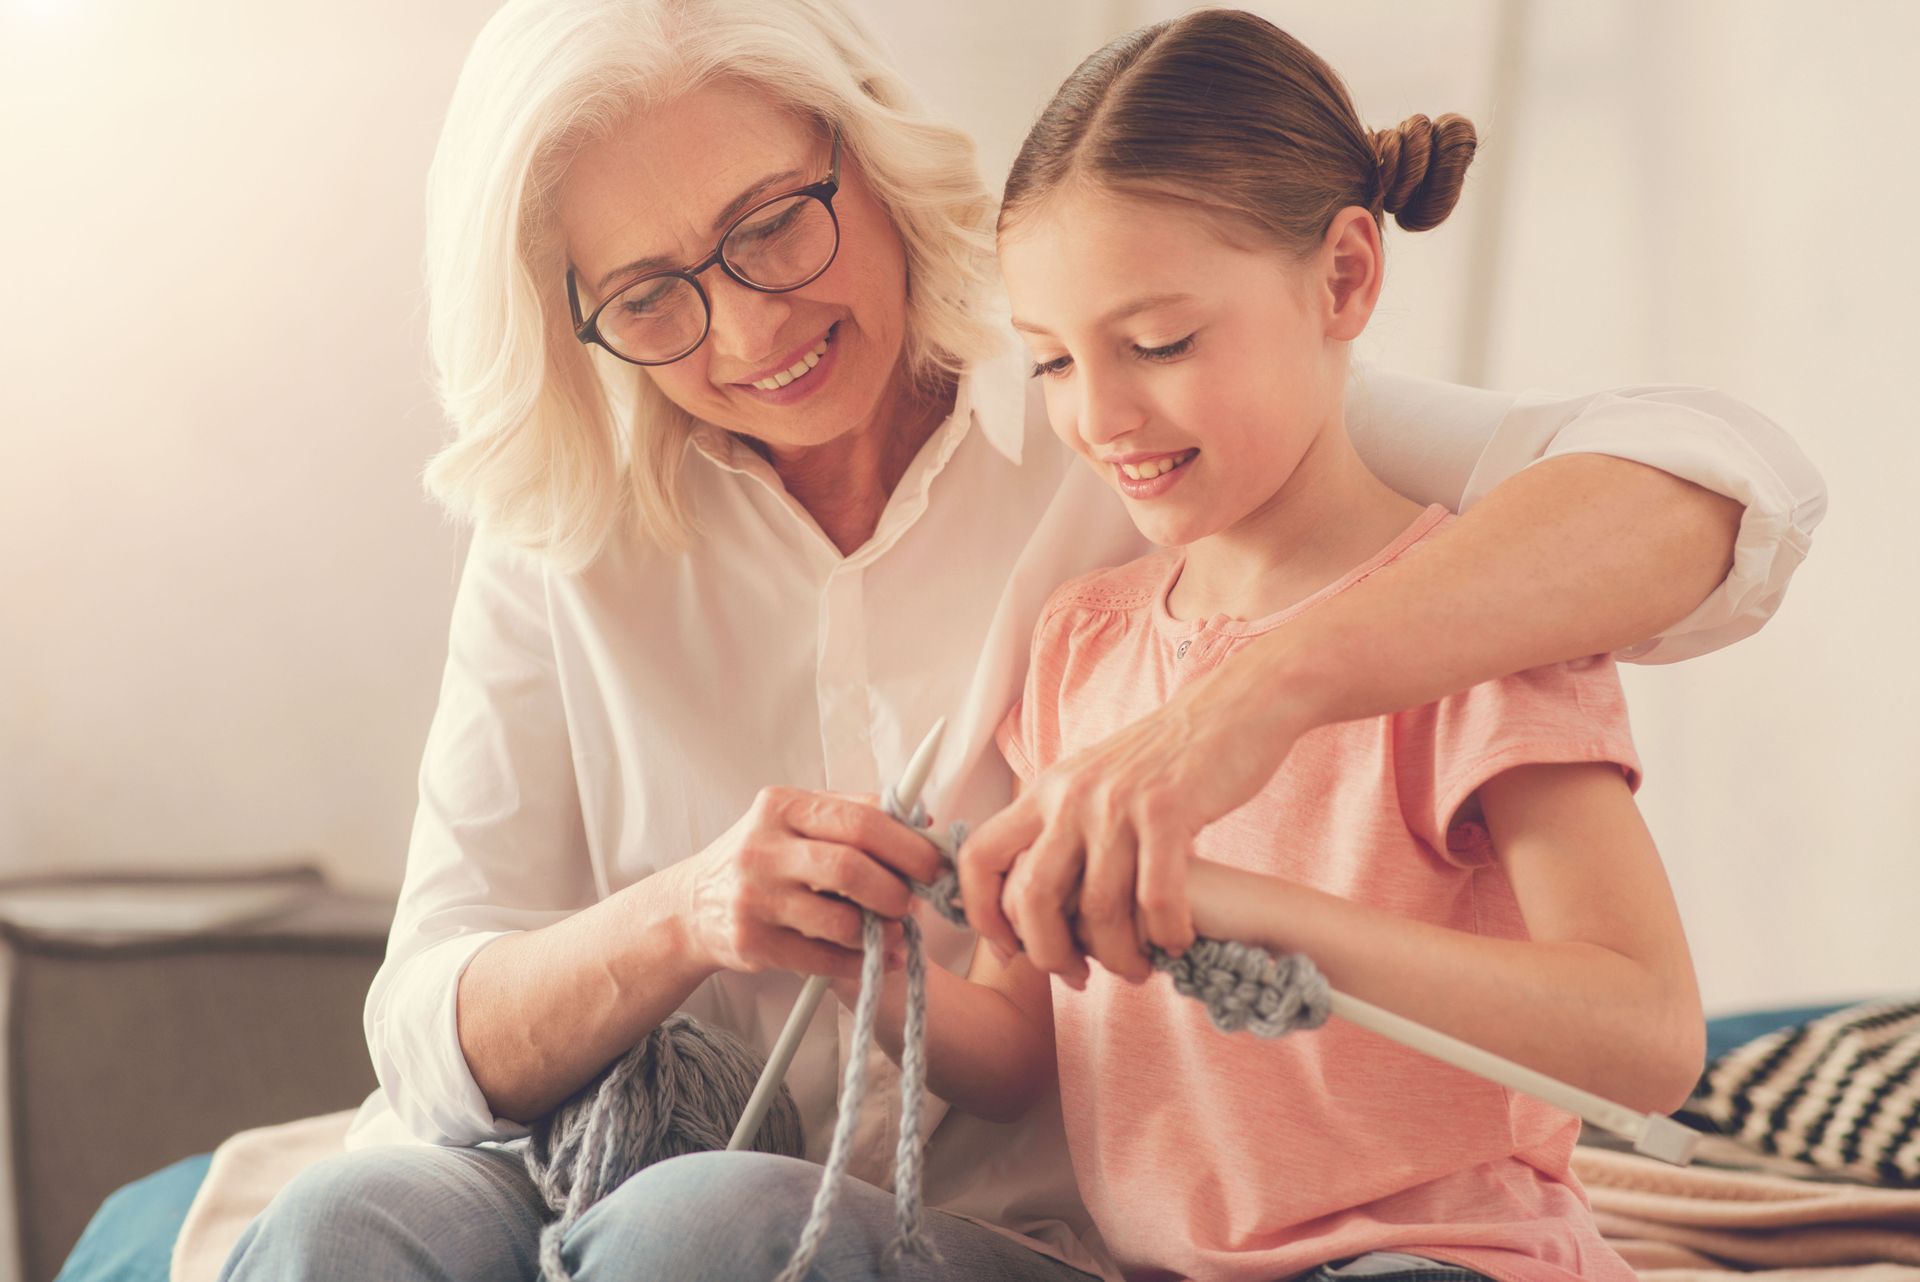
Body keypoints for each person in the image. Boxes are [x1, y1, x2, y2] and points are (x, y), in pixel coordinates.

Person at [208, 0, 1823, 1279]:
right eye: (648, 294)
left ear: (866, 153)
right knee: (349, 1232)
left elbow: (1708, 487)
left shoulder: (1135, 424)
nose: (752, 326)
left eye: (775, 222)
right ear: (577, 316)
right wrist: (702, 914)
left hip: (964, 1220)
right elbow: (430, 1022)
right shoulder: (578, 528)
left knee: (697, 1232)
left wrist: (1250, 704)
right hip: (619, 1155)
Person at [904, 10, 1699, 1281]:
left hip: (1436, 1254)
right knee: (725, 1223)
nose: (1100, 415)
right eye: (1051, 361)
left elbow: (1648, 1033)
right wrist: (860, 959)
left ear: (1344, 278)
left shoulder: (1478, 624)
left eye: (1158, 343)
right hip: (1150, 1266)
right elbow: (1016, 1049)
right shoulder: (1078, 645)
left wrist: (1247, 912)